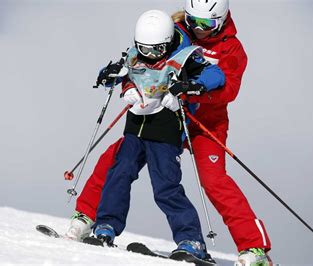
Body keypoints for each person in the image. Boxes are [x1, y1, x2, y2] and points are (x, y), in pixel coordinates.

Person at [66, 1, 272, 265]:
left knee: (214, 180)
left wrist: (195, 89)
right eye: (193, 20)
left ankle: (255, 249)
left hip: (204, 122)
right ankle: (86, 217)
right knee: (116, 159)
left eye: (206, 24)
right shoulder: (173, 31)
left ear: (221, 20)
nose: (198, 29)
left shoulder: (232, 48)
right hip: (164, 116)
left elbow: (228, 88)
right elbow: (141, 62)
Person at [89, 10, 224, 262]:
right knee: (120, 173)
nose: (149, 56)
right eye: (144, 49)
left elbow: (216, 75)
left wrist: (191, 86)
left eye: (155, 51)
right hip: (135, 125)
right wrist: (111, 77)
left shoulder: (184, 56)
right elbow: (114, 71)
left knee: (166, 187)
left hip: (165, 128)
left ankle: (191, 240)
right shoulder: (135, 54)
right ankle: (105, 227)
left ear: (168, 41)